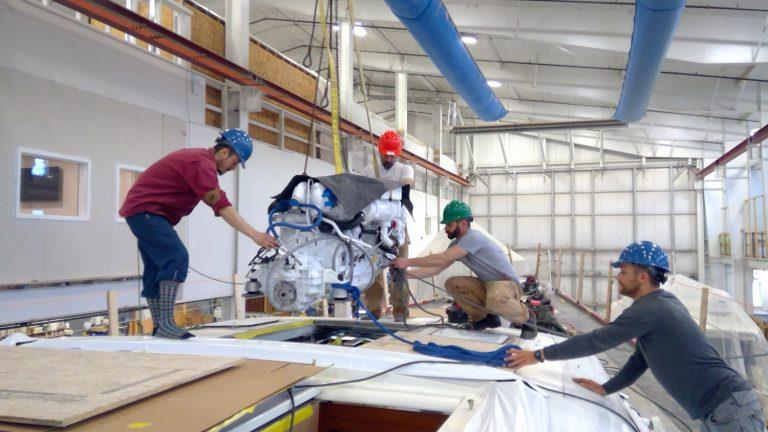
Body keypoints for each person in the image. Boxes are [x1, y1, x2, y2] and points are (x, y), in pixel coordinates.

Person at [505, 241, 766, 431]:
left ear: (642, 276)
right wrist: (608, 388)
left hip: (729, 409)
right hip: (718, 409)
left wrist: (536, 356)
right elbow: (641, 358)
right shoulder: (659, 303)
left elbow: (596, 340)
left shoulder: (650, 309)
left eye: (624, 271)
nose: (618, 277)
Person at [120, 128, 279, 339]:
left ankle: (160, 326)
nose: (233, 168)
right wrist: (254, 234)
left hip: (142, 212)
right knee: (176, 257)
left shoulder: (196, 159)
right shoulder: (202, 164)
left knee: (155, 266)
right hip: (147, 211)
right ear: (224, 153)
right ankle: (166, 323)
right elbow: (221, 205)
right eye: (234, 162)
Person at [392, 200, 537, 338]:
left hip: (507, 284)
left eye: (449, 224)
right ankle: (485, 318)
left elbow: (442, 258)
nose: (446, 229)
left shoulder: (473, 237)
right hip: (488, 284)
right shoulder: (457, 244)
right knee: (452, 283)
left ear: (463, 223)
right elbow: (436, 269)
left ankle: (528, 316)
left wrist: (407, 261)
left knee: (495, 299)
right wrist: (407, 275)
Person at [360, 130, 414, 321]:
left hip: (397, 227)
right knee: (369, 270)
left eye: (393, 154)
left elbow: (407, 184)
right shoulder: (368, 171)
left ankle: (400, 312)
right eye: (386, 154)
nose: (389, 158)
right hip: (372, 229)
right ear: (380, 150)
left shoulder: (404, 170)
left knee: (400, 269)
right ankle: (374, 310)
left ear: (398, 153)